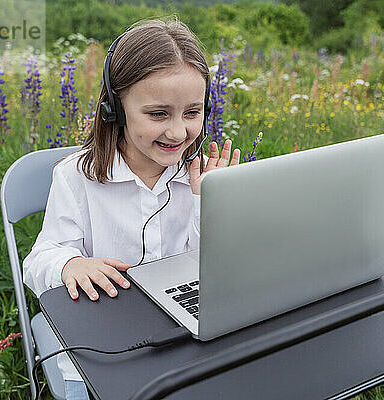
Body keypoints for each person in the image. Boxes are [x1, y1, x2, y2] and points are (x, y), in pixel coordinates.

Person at [23, 17, 240, 400]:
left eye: (193, 112)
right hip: (102, 345)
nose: (178, 132)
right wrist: (68, 264)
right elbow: (39, 259)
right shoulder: (76, 178)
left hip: (186, 337)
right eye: (158, 114)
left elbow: (219, 266)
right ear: (115, 109)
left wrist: (212, 201)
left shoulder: (203, 176)